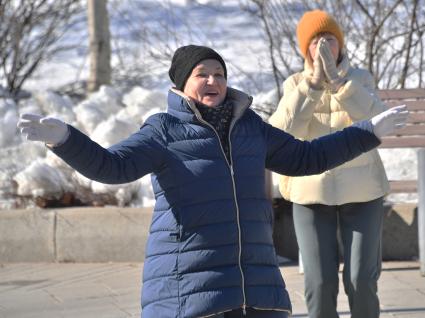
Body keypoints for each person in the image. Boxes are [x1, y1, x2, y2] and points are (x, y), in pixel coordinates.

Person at [18, 44, 407, 318]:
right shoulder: (163, 130)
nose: (212, 80)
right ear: (181, 83)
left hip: (254, 285)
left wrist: (367, 131)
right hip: (189, 285)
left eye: (219, 74)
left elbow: (308, 157)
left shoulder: (251, 127)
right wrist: (65, 139)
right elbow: (111, 167)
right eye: (201, 74)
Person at [268, 10, 401, 318]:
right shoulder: (295, 84)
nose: (325, 47)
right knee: (318, 281)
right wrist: (312, 86)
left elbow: (376, 120)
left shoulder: (360, 78)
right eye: (316, 42)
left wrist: (341, 84)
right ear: (305, 50)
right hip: (310, 195)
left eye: (330, 39)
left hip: (363, 191)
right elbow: (280, 134)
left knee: (361, 280)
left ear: (341, 44)